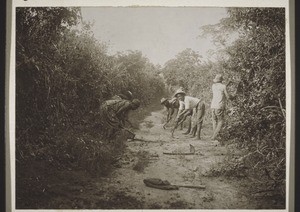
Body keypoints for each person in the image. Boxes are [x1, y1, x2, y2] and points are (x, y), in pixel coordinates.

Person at [210, 74, 230, 140]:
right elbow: (227, 96)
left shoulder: (213, 86)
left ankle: (215, 135)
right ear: (221, 80)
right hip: (219, 106)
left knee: (214, 121)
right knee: (220, 121)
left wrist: (227, 84)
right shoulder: (223, 86)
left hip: (213, 105)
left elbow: (220, 88)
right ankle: (214, 136)